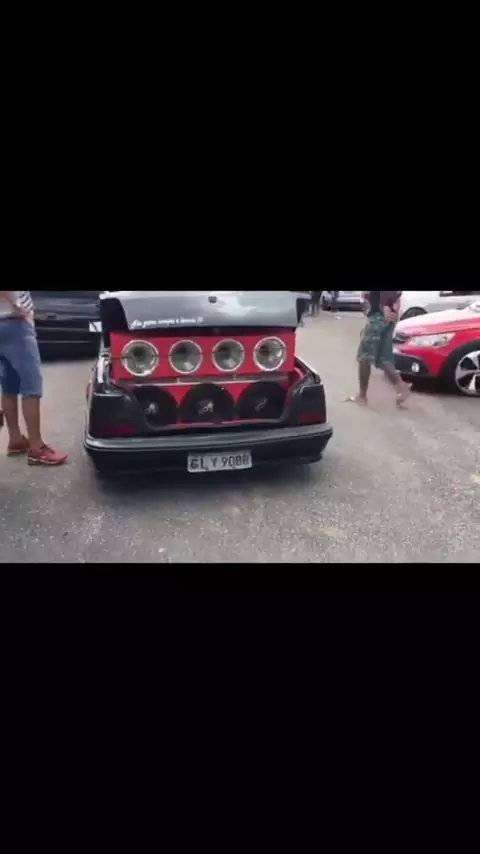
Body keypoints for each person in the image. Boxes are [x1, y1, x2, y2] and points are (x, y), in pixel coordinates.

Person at [0, 291, 68, 465]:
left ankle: (15, 439)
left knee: (9, 384)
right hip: (14, 322)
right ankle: (37, 448)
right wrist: (18, 307)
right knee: (31, 384)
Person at [348, 290, 410, 407]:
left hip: (378, 317)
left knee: (364, 356)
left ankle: (362, 396)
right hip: (387, 317)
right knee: (383, 358)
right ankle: (401, 387)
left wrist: (384, 306)